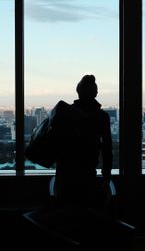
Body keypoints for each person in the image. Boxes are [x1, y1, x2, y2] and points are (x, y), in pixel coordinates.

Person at [50, 74, 113, 208]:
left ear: (78, 92)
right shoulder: (101, 117)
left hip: (63, 177)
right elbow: (107, 149)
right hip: (87, 177)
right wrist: (106, 176)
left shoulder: (65, 113)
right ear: (96, 93)